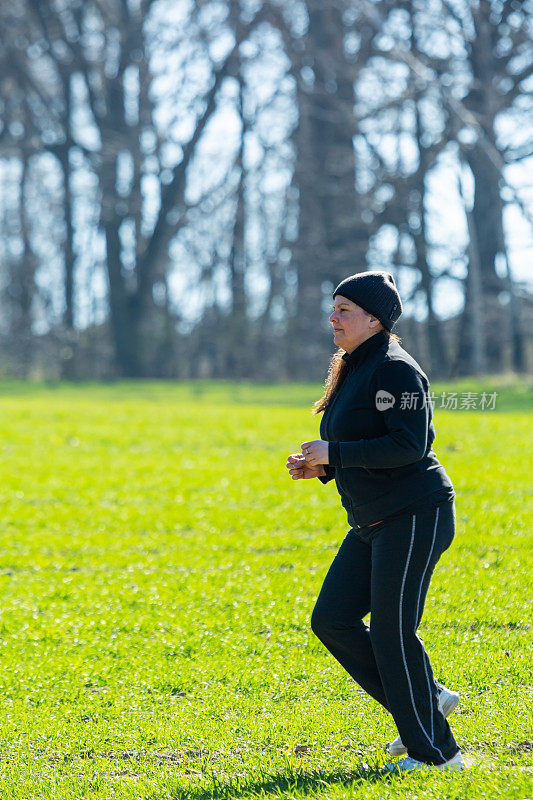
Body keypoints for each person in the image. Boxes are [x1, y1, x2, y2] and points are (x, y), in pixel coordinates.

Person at [285, 271, 464, 773]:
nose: (333, 317)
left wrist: (335, 451)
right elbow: (364, 440)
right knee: (333, 620)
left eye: (344, 309)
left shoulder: (396, 369)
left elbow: (411, 445)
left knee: (392, 632)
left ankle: (437, 754)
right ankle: (427, 705)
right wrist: (324, 463)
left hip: (413, 515)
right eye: (334, 306)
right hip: (374, 519)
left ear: (373, 318)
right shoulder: (353, 365)